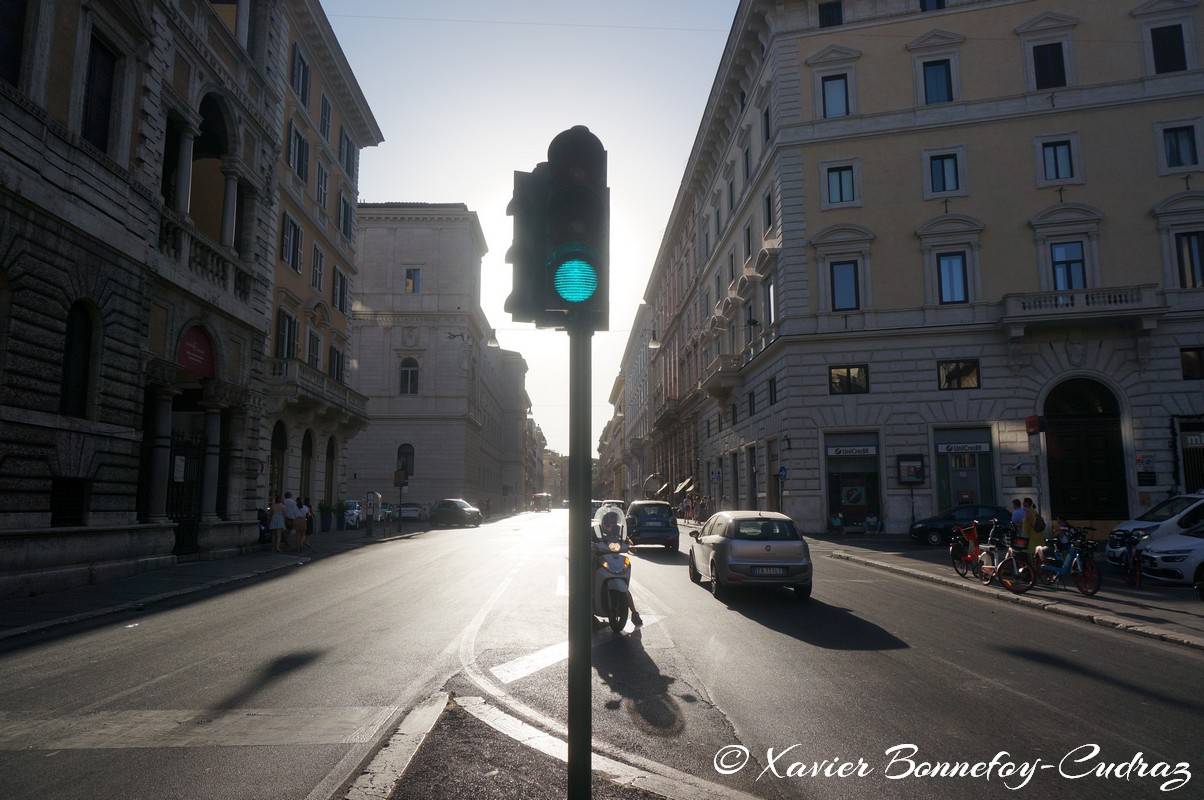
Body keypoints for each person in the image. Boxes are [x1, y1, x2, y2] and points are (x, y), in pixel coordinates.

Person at [595, 510, 642, 627]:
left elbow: (626, 539)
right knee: (590, 575)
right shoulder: (597, 530)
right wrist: (592, 545)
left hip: (614, 557)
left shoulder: (618, 530)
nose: (612, 523)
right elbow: (592, 538)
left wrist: (630, 545)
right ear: (604, 520)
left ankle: (634, 613)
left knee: (625, 587)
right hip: (599, 556)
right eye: (609, 520)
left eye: (613, 520)